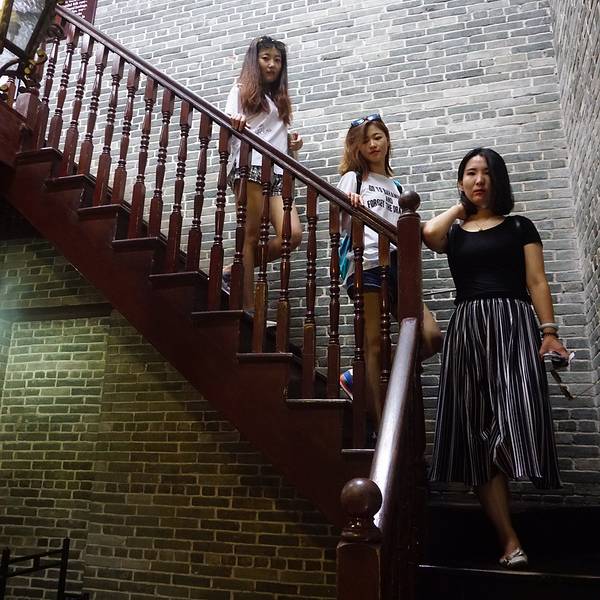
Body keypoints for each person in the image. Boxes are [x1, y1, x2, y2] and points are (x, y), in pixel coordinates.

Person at [422, 147, 570, 569]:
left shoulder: (520, 226)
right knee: (474, 433)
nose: (479, 179)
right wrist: (461, 206)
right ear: (461, 181)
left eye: (486, 173)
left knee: (516, 416)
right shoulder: (455, 232)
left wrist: (549, 332)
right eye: (470, 173)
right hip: (468, 328)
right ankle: (510, 542)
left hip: (513, 324)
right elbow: (428, 234)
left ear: (498, 180)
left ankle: (514, 508)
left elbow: (536, 280)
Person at [337, 113, 442, 426]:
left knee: (431, 337)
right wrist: (346, 204)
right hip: (367, 265)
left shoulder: (396, 187)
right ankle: (382, 425)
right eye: (365, 140)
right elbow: (339, 225)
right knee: (373, 345)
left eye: (377, 136)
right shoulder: (354, 179)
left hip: (398, 267)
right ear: (357, 147)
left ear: (386, 139)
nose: (373, 144)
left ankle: (356, 377)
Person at [224, 36, 303, 309]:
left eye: (277, 60)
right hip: (251, 166)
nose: (272, 64)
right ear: (254, 60)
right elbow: (227, 128)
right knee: (250, 237)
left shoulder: (279, 98)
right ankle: (247, 310)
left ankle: (231, 271)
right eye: (266, 58)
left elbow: (274, 136)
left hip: (278, 172)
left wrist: (292, 144)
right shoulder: (240, 89)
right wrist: (234, 121)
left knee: (292, 235)